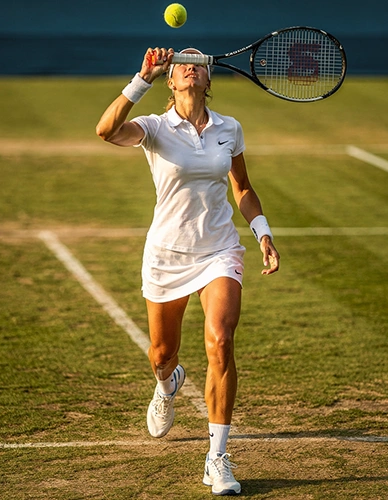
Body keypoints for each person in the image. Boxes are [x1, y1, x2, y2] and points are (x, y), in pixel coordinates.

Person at [96, 46, 280, 496]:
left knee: (221, 340)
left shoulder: (229, 129)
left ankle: (217, 458)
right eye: (182, 64)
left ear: (206, 78)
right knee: (162, 353)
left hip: (219, 250)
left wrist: (263, 233)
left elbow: (243, 187)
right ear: (172, 81)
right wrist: (141, 79)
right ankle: (167, 384)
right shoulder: (155, 128)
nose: (190, 66)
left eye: (197, 62)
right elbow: (105, 130)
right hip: (167, 255)